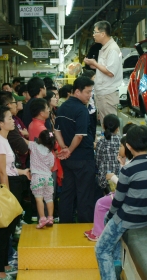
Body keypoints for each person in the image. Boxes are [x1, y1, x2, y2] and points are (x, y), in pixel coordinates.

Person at [95, 125, 147, 280]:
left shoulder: (128, 169)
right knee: (110, 222)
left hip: (128, 219)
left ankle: (112, 271)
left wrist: (110, 216)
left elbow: (118, 200)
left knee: (101, 249)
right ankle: (117, 261)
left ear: (128, 146)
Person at [0, 105, 30, 280]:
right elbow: (2, 171)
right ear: (0, 123)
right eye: (9, 118)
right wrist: (7, 195)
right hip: (6, 185)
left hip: (12, 181)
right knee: (3, 231)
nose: (13, 120)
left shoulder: (4, 139)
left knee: (9, 228)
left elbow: (10, 168)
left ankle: (4, 263)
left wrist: (23, 172)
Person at [54, 76, 96, 223]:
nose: (90, 95)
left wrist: (64, 147)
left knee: (67, 192)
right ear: (77, 91)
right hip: (83, 158)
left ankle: (65, 223)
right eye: (88, 92)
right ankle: (84, 225)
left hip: (68, 160)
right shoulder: (81, 110)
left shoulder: (62, 107)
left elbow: (56, 129)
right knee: (84, 194)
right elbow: (79, 136)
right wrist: (69, 149)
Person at [85, 135, 132, 242]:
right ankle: (96, 229)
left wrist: (113, 177)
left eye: (120, 146)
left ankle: (98, 233)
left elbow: (123, 184)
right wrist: (122, 165)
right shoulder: (129, 162)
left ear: (127, 147)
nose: (118, 148)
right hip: (124, 194)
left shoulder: (130, 164)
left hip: (124, 195)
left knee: (100, 204)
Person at [83, 21, 123, 125]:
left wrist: (95, 63)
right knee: (106, 125)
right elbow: (105, 68)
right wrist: (94, 65)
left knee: (110, 126)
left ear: (102, 33)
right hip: (103, 93)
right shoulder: (105, 48)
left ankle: (113, 142)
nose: (93, 35)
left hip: (107, 94)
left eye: (95, 32)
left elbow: (110, 72)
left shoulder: (112, 49)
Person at [29, 130, 55, 229]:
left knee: (39, 199)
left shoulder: (34, 146)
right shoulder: (50, 154)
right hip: (48, 177)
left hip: (37, 177)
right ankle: (50, 218)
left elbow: (25, 143)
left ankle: (42, 218)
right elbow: (51, 167)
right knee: (49, 198)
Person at [95, 114, 121, 193]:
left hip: (104, 180)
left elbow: (98, 161)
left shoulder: (101, 142)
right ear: (117, 129)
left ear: (103, 126)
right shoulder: (122, 141)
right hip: (119, 179)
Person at [81, 70, 97, 140]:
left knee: (93, 129)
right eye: (94, 77)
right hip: (87, 112)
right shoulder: (85, 88)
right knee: (89, 129)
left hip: (93, 111)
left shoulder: (94, 87)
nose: (96, 78)